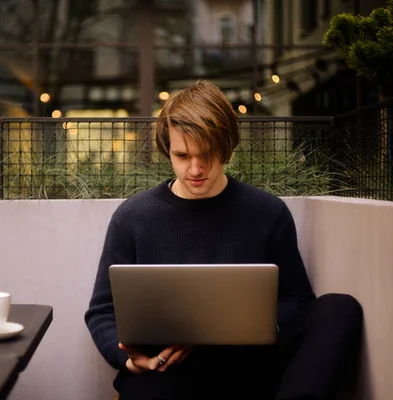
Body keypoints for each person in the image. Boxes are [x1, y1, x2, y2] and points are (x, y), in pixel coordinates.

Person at [84, 80, 363, 400]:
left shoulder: (267, 211)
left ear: (227, 147)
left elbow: (298, 300)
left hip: (253, 367)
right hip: (170, 371)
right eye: (182, 155)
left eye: (208, 154)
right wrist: (130, 361)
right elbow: (102, 311)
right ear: (166, 149)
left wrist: (253, 326)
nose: (195, 168)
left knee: (340, 308)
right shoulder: (133, 217)